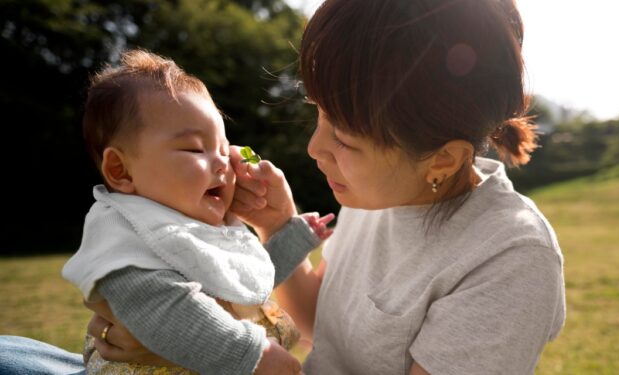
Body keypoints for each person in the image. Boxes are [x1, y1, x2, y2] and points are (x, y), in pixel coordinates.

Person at [0, 0, 565, 373]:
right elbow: (332, 326)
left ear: (442, 159)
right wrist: (275, 227)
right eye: (319, 113)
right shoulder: (386, 189)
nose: (315, 149)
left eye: (345, 139)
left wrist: (198, 352)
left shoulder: (510, 260)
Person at [64, 49, 331, 375]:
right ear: (121, 170)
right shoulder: (124, 232)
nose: (222, 162)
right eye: (194, 148)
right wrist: (255, 355)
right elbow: (163, 310)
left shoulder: (195, 224)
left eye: (223, 148)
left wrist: (291, 238)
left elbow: (239, 281)